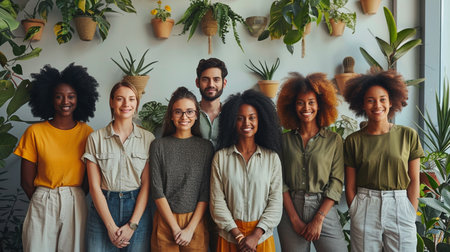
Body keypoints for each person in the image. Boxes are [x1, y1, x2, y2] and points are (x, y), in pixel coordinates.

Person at [14, 63, 99, 252]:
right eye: (58, 96)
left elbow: (89, 179)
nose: (65, 101)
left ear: (80, 98)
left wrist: (73, 196)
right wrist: (44, 199)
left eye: (71, 96)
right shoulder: (35, 132)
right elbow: (26, 182)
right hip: (43, 198)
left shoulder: (87, 133)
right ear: (49, 99)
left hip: (75, 199)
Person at [343, 69, 423, 251]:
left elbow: (414, 180)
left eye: (382, 99)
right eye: (370, 100)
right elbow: (350, 184)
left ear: (391, 101)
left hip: (400, 206)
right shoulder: (353, 141)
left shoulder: (407, 135)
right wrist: (355, 209)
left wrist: (410, 211)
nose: (377, 105)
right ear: (362, 104)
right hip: (365, 206)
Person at [276, 72, 347, 251]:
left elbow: (337, 181)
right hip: (291, 206)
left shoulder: (334, 140)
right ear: (292, 106)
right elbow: (279, 181)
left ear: (321, 105)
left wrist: (319, 218)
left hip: (323, 206)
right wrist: (293, 219)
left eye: (311, 102)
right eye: (300, 102)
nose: (306, 107)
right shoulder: (284, 141)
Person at [83, 81, 154, 251]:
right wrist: (110, 226)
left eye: (131, 99)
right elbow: (94, 186)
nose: (126, 104)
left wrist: (132, 225)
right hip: (103, 210)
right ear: (111, 101)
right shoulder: (95, 138)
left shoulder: (148, 138)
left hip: (137, 209)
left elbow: (146, 185)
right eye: (120, 99)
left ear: (137, 103)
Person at [210, 89, 283, 252]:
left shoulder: (271, 158)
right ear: (232, 122)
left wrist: (255, 236)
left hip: (261, 239)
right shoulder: (221, 158)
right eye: (240, 118)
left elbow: (275, 203)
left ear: (260, 120)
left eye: (252, 118)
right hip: (229, 237)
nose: (246, 123)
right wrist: (239, 236)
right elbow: (217, 203)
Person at [150, 86, 214, 252]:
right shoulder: (158, 145)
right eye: (178, 112)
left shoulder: (206, 147)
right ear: (171, 115)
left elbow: (205, 192)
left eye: (190, 111)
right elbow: (157, 191)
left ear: (196, 115)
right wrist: (175, 228)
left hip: (196, 222)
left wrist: (190, 229)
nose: (184, 117)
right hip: (165, 220)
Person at [195, 57, 228, 149]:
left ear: (224, 83)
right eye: (205, 79)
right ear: (197, 82)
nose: (211, 85)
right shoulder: (189, 114)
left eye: (216, 79)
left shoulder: (231, 114)